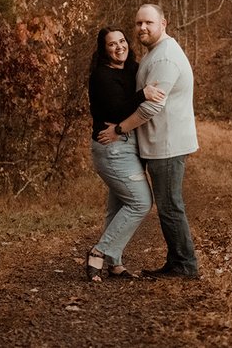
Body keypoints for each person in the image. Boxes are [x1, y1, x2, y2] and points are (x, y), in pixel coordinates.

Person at [97, 4, 199, 279]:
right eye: (139, 23)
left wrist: (120, 129)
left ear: (163, 23)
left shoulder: (165, 58)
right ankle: (177, 261)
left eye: (148, 23)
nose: (142, 27)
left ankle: (185, 265)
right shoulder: (156, 53)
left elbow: (152, 107)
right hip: (158, 143)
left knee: (169, 206)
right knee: (168, 205)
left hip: (167, 144)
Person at [85, 26, 164, 282]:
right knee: (141, 202)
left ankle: (114, 263)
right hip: (111, 147)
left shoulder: (132, 68)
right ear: (103, 49)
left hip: (127, 143)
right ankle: (99, 251)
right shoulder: (101, 76)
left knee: (118, 205)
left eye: (122, 41)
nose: (119, 47)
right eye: (111, 44)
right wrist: (143, 95)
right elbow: (117, 108)